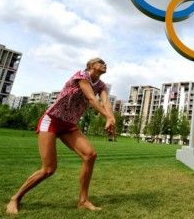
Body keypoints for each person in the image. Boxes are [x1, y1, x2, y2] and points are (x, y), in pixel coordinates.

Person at [6, 58, 115, 215]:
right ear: (91, 66)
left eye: (105, 63)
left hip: (69, 125)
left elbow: (107, 104)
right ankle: (15, 198)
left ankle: (83, 201)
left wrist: (111, 119)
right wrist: (107, 117)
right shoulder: (81, 75)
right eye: (101, 62)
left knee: (90, 155)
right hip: (51, 120)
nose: (105, 65)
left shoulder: (102, 85)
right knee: (48, 169)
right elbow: (91, 99)